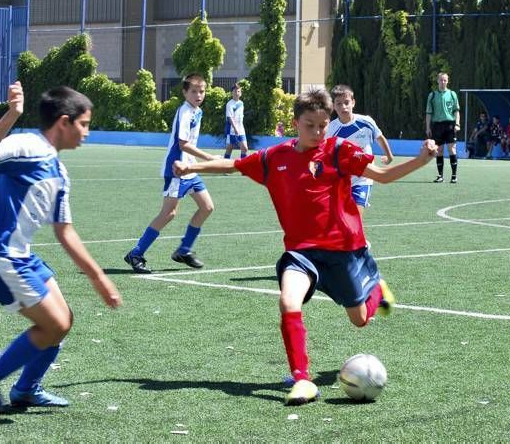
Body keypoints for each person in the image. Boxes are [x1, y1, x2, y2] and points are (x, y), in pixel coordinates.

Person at [173, 89, 438, 406]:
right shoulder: (275, 158)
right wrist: (192, 168)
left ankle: (377, 292)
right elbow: (232, 164)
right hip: (301, 253)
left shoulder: (340, 150)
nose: (317, 132)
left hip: (343, 252)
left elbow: (381, 176)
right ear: (295, 122)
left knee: (359, 320)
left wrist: (421, 160)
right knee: (288, 301)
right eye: (310, 125)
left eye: (323, 126)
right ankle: (302, 379)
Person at [0, 82, 122, 413]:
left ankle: (26, 389)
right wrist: (12, 114)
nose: (87, 133)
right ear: (64, 121)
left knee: (63, 319)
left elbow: (65, 231)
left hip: (21, 256)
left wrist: (99, 278)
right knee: (55, 325)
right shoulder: (27, 145)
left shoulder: (59, 170)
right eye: (84, 124)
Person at [124, 74, 219, 274]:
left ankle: (184, 250)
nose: (198, 95)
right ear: (185, 92)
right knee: (169, 213)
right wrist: (209, 158)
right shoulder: (185, 112)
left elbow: (190, 144)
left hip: (190, 169)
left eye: (202, 91)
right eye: (194, 91)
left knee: (207, 207)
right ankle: (136, 253)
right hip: (177, 169)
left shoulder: (197, 111)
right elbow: (183, 144)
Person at [327, 84, 394, 214]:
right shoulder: (330, 129)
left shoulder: (366, 122)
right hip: (341, 181)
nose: (343, 107)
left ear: (353, 102)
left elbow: (380, 138)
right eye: (339, 104)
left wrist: (389, 156)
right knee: (341, 220)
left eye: (346, 102)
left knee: (355, 218)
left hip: (363, 179)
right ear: (334, 106)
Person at [425, 72, 460, 183]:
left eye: (445, 80)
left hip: (450, 125)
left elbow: (456, 111)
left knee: (452, 149)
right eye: (441, 80)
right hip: (437, 126)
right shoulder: (432, 95)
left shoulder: (452, 94)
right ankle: (440, 176)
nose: (443, 82)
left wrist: (457, 124)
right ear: (437, 81)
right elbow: (429, 113)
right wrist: (428, 127)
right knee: (439, 151)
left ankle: (454, 176)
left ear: (448, 81)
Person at [223, 83, 249, 160]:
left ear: (240, 93)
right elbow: (230, 118)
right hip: (231, 129)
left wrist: (239, 128)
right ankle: (224, 166)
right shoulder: (229, 104)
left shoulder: (241, 103)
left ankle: (243, 167)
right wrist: (235, 128)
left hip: (241, 129)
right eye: (235, 91)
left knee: (245, 148)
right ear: (232, 93)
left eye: (238, 91)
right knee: (229, 149)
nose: (236, 93)